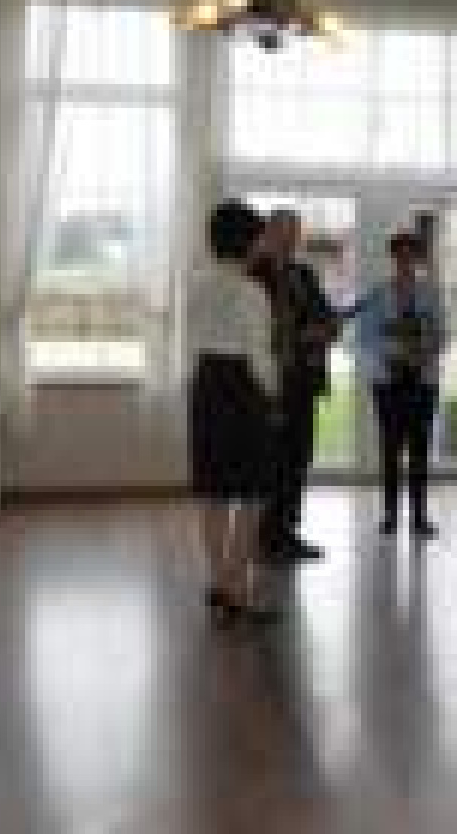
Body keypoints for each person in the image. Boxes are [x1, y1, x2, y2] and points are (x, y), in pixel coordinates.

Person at [186, 200, 279, 624]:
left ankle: (219, 581)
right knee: (254, 493)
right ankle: (236, 588)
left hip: (206, 384)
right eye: (258, 237)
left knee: (214, 490)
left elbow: (192, 341)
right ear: (245, 241)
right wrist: (273, 395)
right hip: (241, 389)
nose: (262, 244)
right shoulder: (252, 292)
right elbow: (259, 356)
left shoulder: (195, 284)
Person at [250, 209, 338, 563]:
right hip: (270, 383)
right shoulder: (253, 273)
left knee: (297, 459)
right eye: (283, 231)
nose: (290, 239)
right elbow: (257, 329)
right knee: (270, 462)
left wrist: (329, 327)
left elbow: (325, 314)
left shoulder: (305, 274)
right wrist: (301, 334)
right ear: (268, 234)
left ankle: (286, 533)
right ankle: (263, 537)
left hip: (304, 382)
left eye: (295, 232)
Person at [355, 229, 448, 539]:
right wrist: (396, 349)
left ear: (417, 259)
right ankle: (390, 516)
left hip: (422, 380)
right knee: (390, 449)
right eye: (400, 255)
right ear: (393, 257)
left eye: (411, 255)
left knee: (420, 450)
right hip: (388, 380)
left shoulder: (432, 294)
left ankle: (420, 517)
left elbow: (442, 335)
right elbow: (365, 337)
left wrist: (424, 349)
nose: (405, 261)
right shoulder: (378, 294)